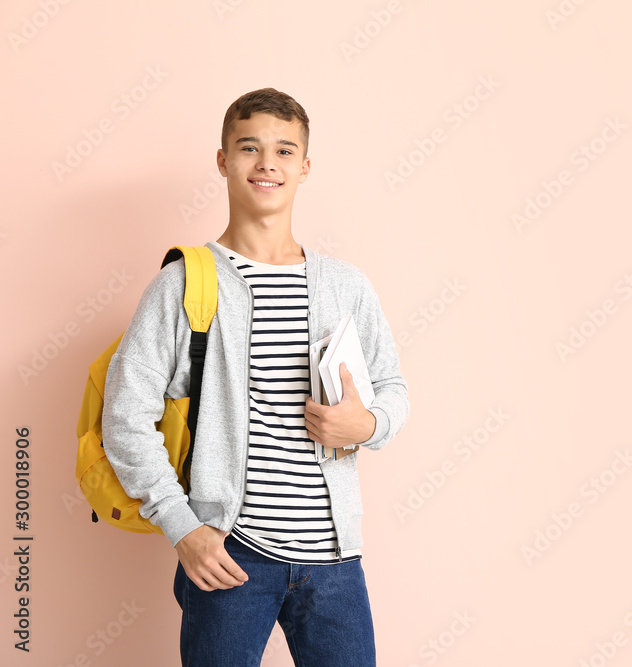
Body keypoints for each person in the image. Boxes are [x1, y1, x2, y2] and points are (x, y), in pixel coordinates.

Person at [101, 87, 409, 666]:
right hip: (228, 554)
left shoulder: (346, 286)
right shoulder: (184, 283)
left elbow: (394, 389)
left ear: (305, 167)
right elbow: (124, 413)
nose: (267, 163)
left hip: (337, 562)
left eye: (285, 151)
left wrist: (364, 424)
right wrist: (182, 527)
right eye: (249, 147)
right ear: (222, 161)